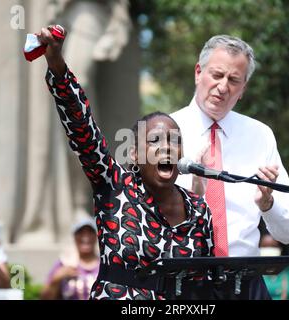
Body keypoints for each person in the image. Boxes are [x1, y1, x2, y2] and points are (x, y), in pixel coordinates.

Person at [37, 25, 214, 300]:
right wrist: (58, 65)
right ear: (134, 154)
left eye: (174, 140)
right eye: (155, 140)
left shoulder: (198, 209)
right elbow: (82, 129)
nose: (166, 146)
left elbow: (205, 286)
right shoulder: (115, 186)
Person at [171, 35, 289, 299]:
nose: (222, 87)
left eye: (233, 81)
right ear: (198, 72)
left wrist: (268, 204)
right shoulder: (164, 131)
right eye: (216, 75)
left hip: (246, 282)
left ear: (243, 89)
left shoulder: (260, 135)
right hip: (183, 282)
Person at [41, 216, 100, 300]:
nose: (86, 236)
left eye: (90, 232)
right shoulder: (64, 263)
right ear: (74, 236)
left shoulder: (105, 264)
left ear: (96, 236)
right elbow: (44, 297)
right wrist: (56, 279)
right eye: (81, 232)